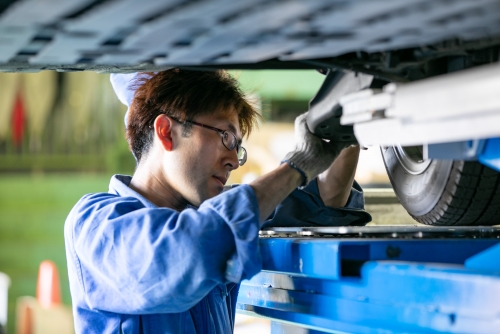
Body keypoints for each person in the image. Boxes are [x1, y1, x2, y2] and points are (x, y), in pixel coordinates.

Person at [64, 69, 371, 334]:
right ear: (166, 131)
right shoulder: (96, 223)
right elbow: (186, 252)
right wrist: (294, 169)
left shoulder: (215, 213)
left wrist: (345, 126)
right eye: (226, 137)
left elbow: (320, 205)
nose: (234, 162)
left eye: (238, 148)